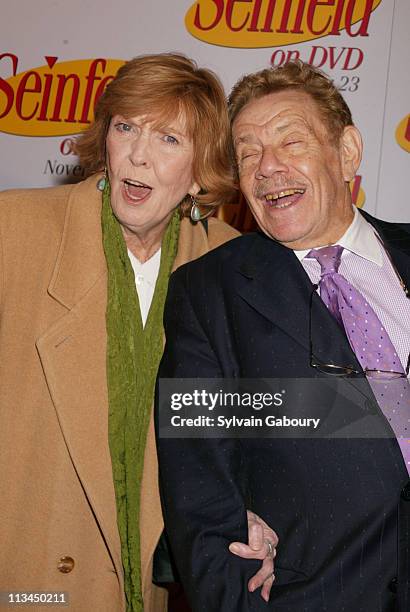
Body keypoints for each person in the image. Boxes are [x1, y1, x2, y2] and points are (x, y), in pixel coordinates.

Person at [0, 53, 278, 612]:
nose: (138, 155)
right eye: (126, 127)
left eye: (169, 140)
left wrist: (248, 503)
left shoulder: (230, 264)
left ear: (202, 170)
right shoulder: (15, 230)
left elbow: (254, 416)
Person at [156, 60, 410, 610]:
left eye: (290, 142)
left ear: (347, 153)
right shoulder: (205, 294)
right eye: (248, 153)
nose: (267, 167)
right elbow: (197, 493)